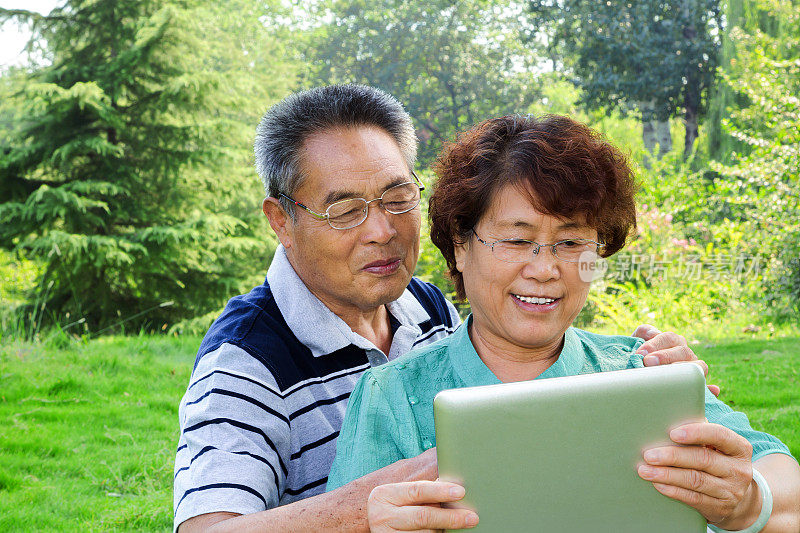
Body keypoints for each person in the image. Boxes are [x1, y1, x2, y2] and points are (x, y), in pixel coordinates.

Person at [173, 85, 712, 532]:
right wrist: (365, 503)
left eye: (396, 198)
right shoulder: (244, 361)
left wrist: (654, 388)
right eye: (345, 210)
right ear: (281, 220)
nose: (382, 231)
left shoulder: (422, 304)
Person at [326, 115, 800, 532]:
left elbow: (787, 491)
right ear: (460, 244)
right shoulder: (391, 398)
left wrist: (747, 502)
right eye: (516, 240)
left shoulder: (646, 373)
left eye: (572, 243)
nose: (545, 269)